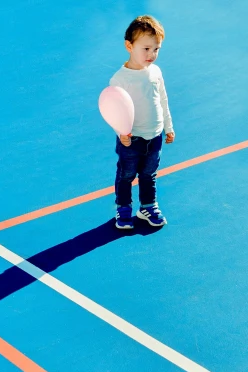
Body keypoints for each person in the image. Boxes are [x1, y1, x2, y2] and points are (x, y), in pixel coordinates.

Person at [109, 15, 175, 229]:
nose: (151, 54)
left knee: (149, 174)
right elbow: (113, 108)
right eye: (146, 49)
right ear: (129, 46)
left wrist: (168, 126)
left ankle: (147, 206)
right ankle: (123, 208)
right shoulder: (120, 79)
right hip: (132, 138)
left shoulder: (155, 72)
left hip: (154, 136)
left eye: (156, 49)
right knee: (126, 175)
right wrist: (121, 132)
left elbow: (162, 99)